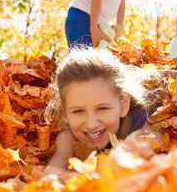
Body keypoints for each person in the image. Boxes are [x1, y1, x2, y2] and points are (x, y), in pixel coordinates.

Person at [43, 48, 162, 179]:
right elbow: (50, 174)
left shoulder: (142, 124)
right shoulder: (68, 137)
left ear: (123, 105)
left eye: (102, 109)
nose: (92, 124)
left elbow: (150, 150)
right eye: (78, 111)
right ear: (65, 113)